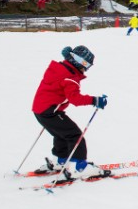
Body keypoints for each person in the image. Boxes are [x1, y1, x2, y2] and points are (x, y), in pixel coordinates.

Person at [31, 46, 108, 179]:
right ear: (79, 62)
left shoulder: (58, 69)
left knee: (61, 134)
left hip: (41, 110)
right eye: (86, 65)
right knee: (75, 135)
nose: (86, 69)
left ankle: (61, 161)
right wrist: (94, 100)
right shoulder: (70, 77)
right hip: (50, 111)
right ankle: (79, 167)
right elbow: (75, 99)